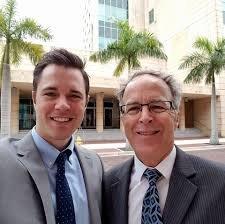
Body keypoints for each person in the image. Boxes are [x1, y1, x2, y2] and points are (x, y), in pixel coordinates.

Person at [103, 70, 225, 224]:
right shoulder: (106, 185)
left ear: (176, 116)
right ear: (123, 120)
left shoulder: (220, 182)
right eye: (133, 108)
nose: (145, 117)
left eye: (157, 106)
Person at [0, 49, 103, 224]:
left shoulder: (95, 165)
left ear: (86, 102)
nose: (62, 105)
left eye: (74, 96)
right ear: (34, 98)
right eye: (50, 94)